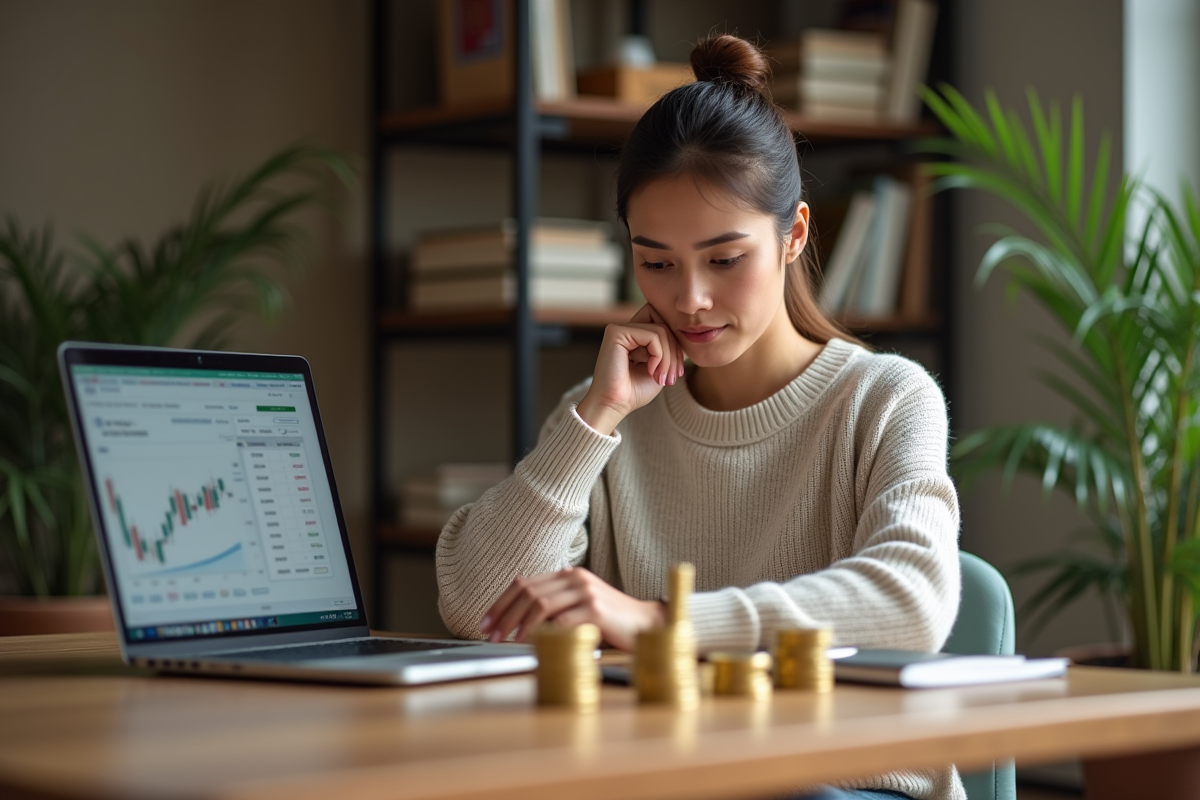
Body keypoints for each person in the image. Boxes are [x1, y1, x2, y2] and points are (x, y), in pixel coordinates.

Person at [435, 34, 963, 800]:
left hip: (841, 787)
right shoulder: (604, 419)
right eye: (656, 262)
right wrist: (596, 418)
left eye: (724, 259)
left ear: (794, 235)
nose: (689, 300)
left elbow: (912, 602)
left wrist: (662, 623)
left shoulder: (886, 399)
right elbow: (475, 604)